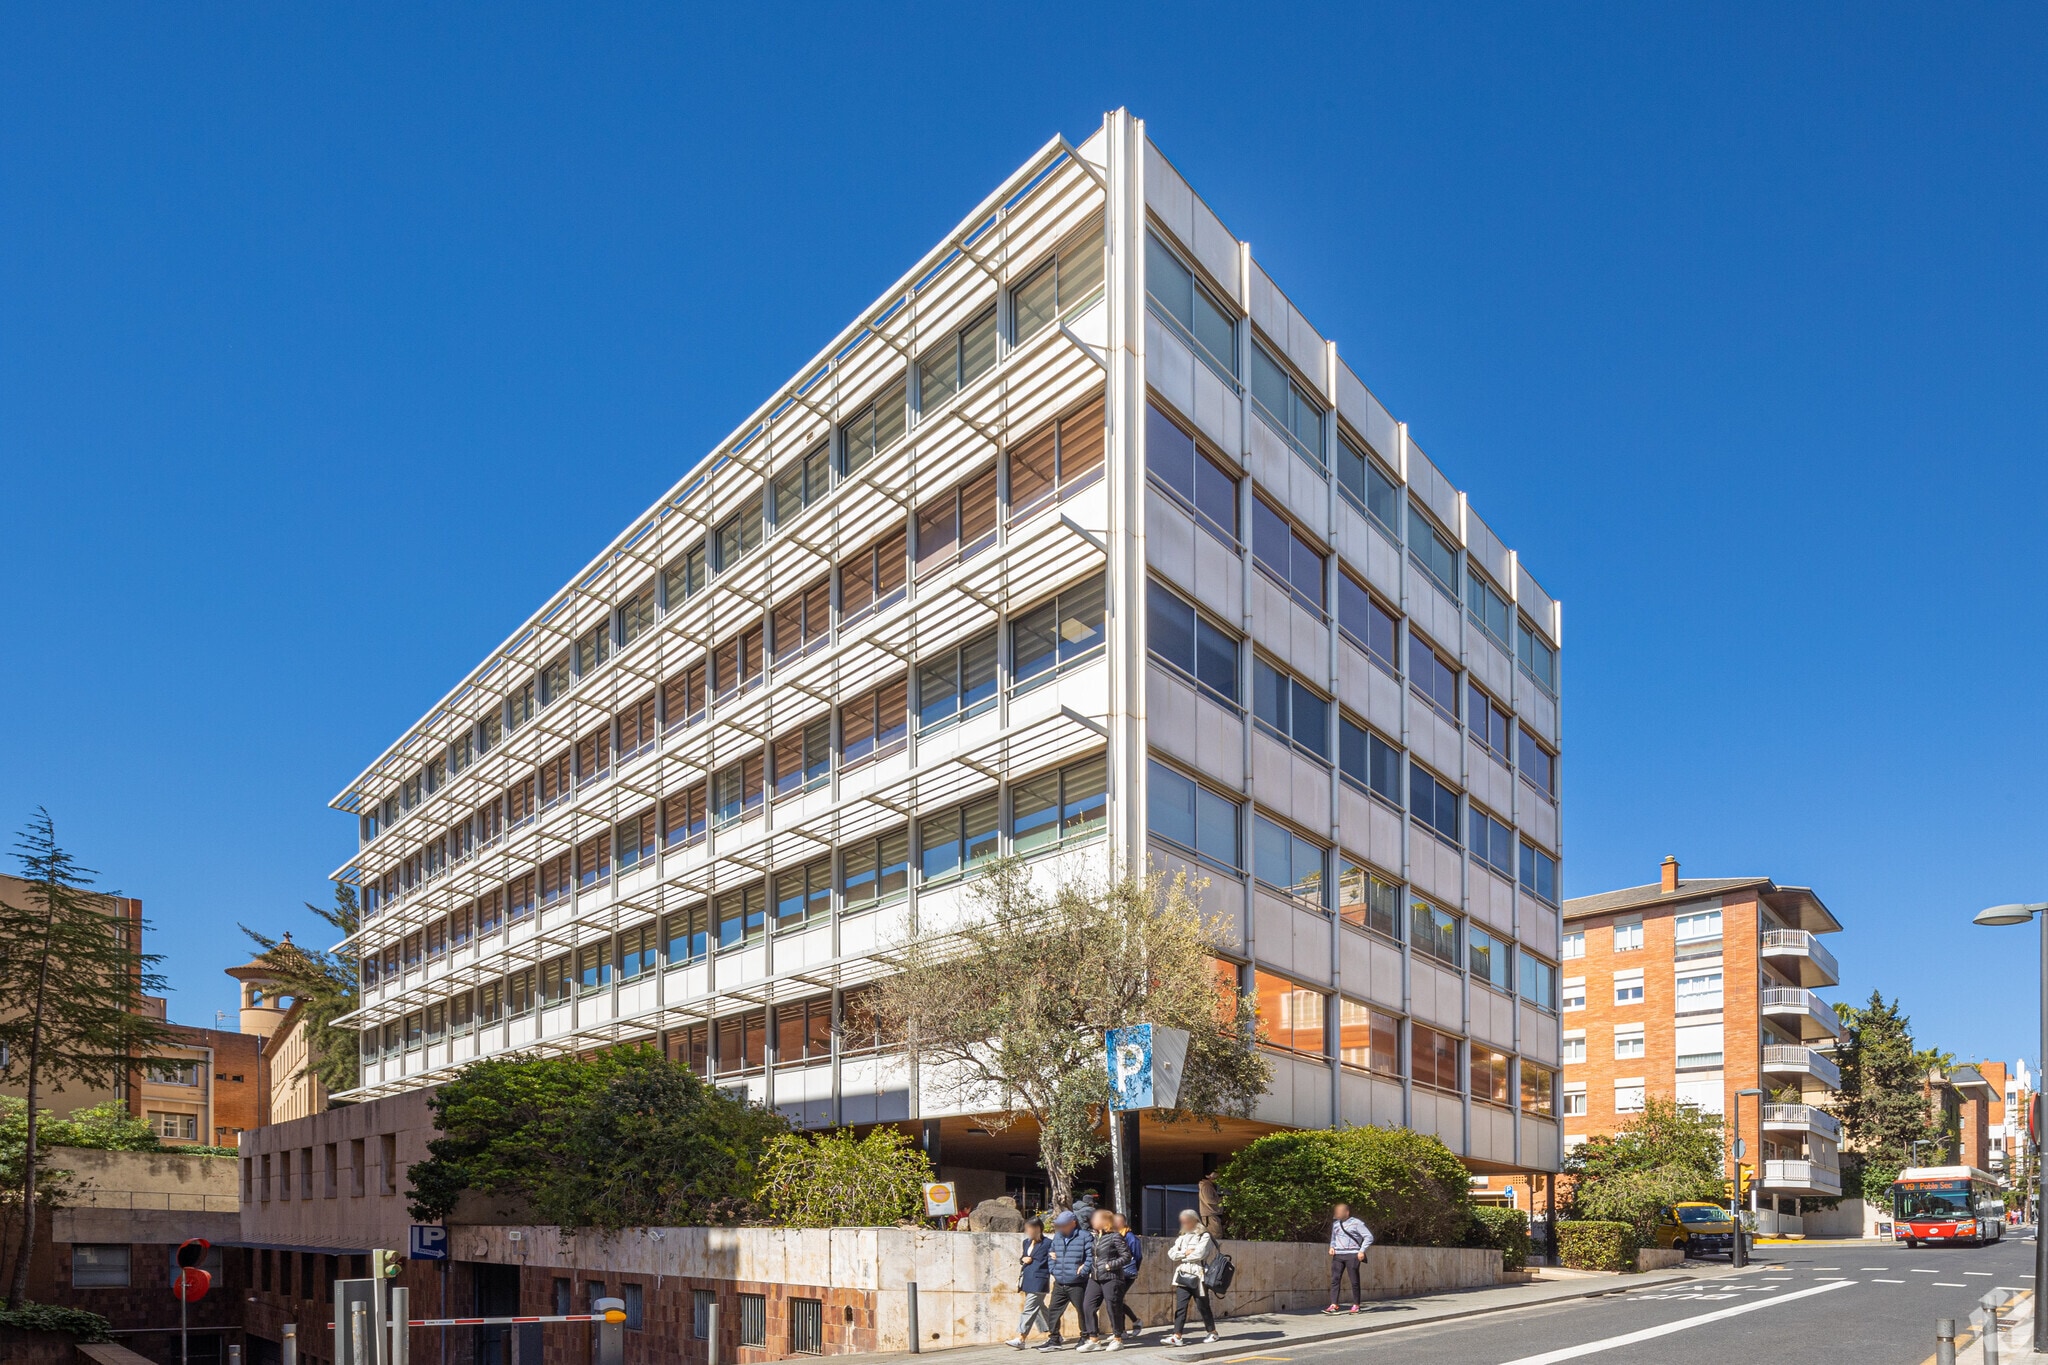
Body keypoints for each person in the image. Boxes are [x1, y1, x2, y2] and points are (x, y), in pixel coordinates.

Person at [1161, 1209, 1220, 1346]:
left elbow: (1199, 1254)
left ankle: (1212, 1332)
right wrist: (1186, 1252)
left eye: (1186, 1221)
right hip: (1183, 1274)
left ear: (1194, 1221)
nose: (1184, 1224)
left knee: (1203, 1306)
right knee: (1180, 1307)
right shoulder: (1182, 1237)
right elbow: (1171, 1254)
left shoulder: (1204, 1236)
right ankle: (1177, 1336)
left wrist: (1183, 1254)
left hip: (1198, 1275)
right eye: (1183, 1221)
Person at [1036, 1211, 1093, 1351]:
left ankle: (1085, 1337)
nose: (1060, 1228)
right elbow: (1051, 1254)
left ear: (1073, 1223)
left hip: (1078, 1283)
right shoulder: (1058, 1237)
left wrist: (1083, 1271)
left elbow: (1091, 1257)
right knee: (1053, 1310)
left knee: (1082, 1310)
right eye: (1058, 1225)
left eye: (1063, 1225)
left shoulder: (1085, 1236)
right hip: (1060, 1281)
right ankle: (1054, 1339)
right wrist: (1053, 1270)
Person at [1077, 1209, 1132, 1351]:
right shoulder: (1096, 1237)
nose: (1093, 1221)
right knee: (1087, 1306)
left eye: (1096, 1219)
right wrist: (1087, 1266)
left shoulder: (1115, 1237)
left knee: (1113, 1307)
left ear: (1105, 1221)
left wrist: (1109, 1265)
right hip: (1095, 1277)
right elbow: (1095, 1256)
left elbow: (1126, 1256)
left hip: (1111, 1277)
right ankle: (1093, 1339)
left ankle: (1117, 1338)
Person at [1007, 1217, 1053, 1349]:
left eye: (1029, 1228)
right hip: (1027, 1279)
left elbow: (1051, 1259)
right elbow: (1023, 1257)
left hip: (1039, 1280)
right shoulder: (1026, 1242)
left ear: (1037, 1228)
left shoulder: (1048, 1243)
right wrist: (1023, 1259)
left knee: (1029, 1309)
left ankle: (1021, 1338)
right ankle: (1055, 1333)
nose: (1027, 1231)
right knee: (1039, 1308)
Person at [1324, 1202, 1373, 1314]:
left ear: (1347, 1212)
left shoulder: (1357, 1223)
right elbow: (1333, 1237)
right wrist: (1332, 1247)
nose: (1338, 1214)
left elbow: (1369, 1237)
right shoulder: (1336, 1224)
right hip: (1338, 1254)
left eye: (1340, 1211)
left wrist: (1362, 1251)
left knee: (1354, 1281)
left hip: (1352, 1254)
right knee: (1335, 1279)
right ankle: (1334, 1304)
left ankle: (1356, 1305)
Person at [1112, 1212, 1144, 1341]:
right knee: (1116, 1300)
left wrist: (1133, 1270)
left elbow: (1137, 1256)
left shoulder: (1130, 1237)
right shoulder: (1113, 1236)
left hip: (1127, 1274)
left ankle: (1123, 1329)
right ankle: (1132, 1323)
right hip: (1115, 1272)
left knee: (1116, 1299)